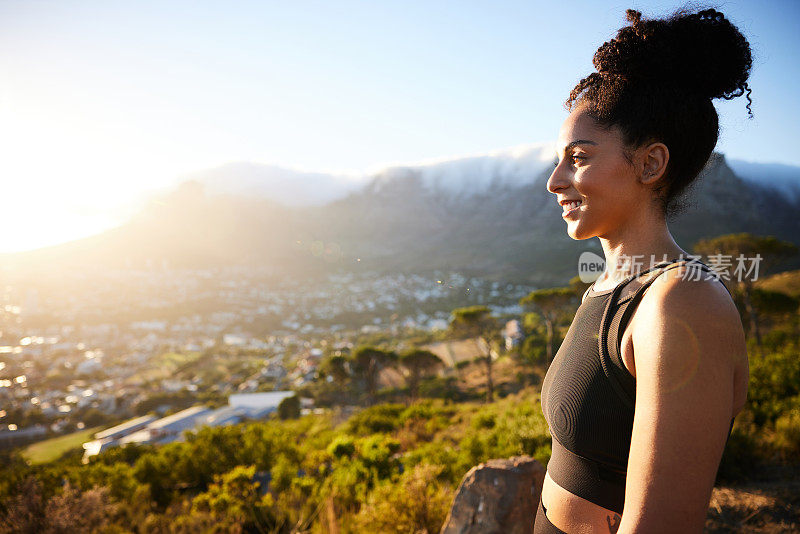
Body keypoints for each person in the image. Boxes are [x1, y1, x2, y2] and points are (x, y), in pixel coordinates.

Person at [533, 7, 752, 534]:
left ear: (650, 164)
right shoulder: (609, 288)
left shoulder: (683, 301)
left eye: (578, 157)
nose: (555, 180)